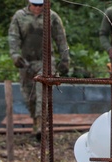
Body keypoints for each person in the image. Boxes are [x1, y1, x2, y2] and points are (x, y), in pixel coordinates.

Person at [8, 0, 70, 140]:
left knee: (42, 93)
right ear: (29, 4)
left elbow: (61, 39)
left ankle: (41, 125)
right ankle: (36, 121)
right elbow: (13, 37)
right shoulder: (20, 16)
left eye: (40, 5)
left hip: (46, 61)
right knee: (28, 96)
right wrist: (15, 55)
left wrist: (65, 59)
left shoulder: (52, 17)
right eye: (35, 5)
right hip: (26, 62)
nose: (37, 8)